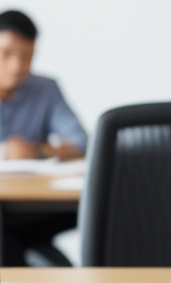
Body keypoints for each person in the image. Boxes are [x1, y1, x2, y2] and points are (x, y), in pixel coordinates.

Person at [0, 10, 87, 266]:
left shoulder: (46, 89)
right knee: (8, 236)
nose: (17, 66)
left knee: (7, 233)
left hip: (35, 205)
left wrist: (37, 151)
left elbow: (81, 141)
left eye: (26, 56)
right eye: (6, 55)